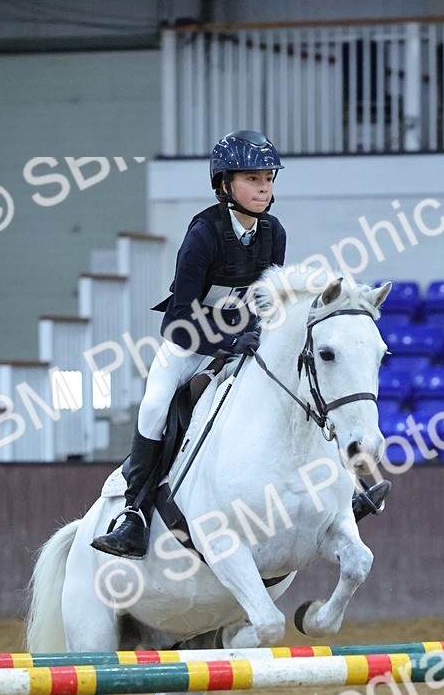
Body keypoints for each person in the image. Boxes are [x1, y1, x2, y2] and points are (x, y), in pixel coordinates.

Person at [92, 128, 389, 560]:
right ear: (225, 185)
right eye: (252, 179)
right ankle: (134, 513)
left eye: (268, 178)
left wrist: (257, 337)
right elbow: (177, 321)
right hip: (190, 343)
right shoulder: (204, 235)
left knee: (304, 389)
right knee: (155, 406)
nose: (264, 187)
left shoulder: (274, 233)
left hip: (247, 342)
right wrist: (230, 340)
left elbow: (270, 301)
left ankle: (345, 492)